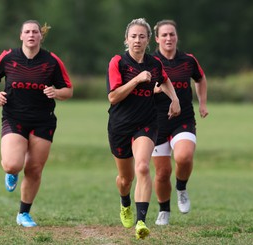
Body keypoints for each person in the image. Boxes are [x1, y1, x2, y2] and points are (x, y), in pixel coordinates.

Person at [0, 20, 73, 227]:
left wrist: (56, 92)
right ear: (21, 36)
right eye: (27, 31)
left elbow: (68, 91)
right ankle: (12, 172)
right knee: (11, 163)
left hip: (43, 120)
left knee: (34, 169)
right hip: (14, 117)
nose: (31, 35)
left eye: (35, 32)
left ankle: (23, 213)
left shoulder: (52, 61)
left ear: (41, 36)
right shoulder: (8, 57)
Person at [106, 18, 180, 240]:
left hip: (146, 123)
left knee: (143, 168)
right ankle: (125, 202)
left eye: (141, 36)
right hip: (120, 125)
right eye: (133, 36)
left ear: (148, 40)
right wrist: (137, 80)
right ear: (126, 40)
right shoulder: (118, 62)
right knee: (125, 179)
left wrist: (174, 99)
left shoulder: (155, 63)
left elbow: (165, 80)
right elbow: (113, 97)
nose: (137, 40)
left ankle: (140, 222)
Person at [151, 20, 209, 225]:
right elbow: (140, 87)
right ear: (156, 38)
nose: (168, 38)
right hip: (155, 122)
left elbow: (200, 79)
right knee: (162, 172)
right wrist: (154, 90)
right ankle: (164, 210)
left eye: (172, 35)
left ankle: (181, 188)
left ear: (177, 37)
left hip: (183, 119)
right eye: (164, 35)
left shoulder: (188, 60)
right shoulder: (150, 61)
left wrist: (202, 104)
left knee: (184, 157)